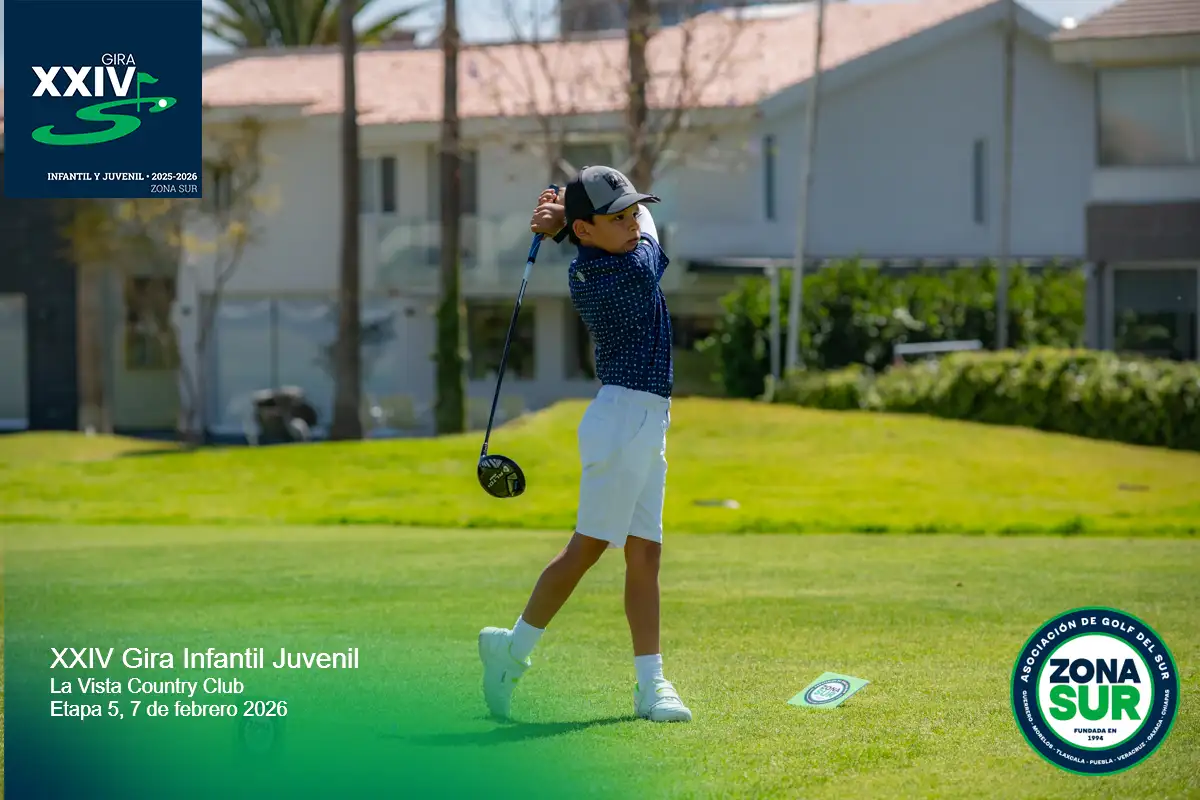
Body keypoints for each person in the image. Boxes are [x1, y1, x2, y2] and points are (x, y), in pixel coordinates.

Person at [477, 166, 691, 724]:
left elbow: (629, 221)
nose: (631, 223)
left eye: (631, 213)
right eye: (616, 218)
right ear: (587, 231)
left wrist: (566, 221)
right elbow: (650, 234)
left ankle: (651, 684)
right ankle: (512, 653)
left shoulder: (602, 249)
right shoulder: (618, 273)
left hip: (647, 419)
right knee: (589, 548)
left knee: (645, 553)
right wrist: (565, 223)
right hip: (621, 422)